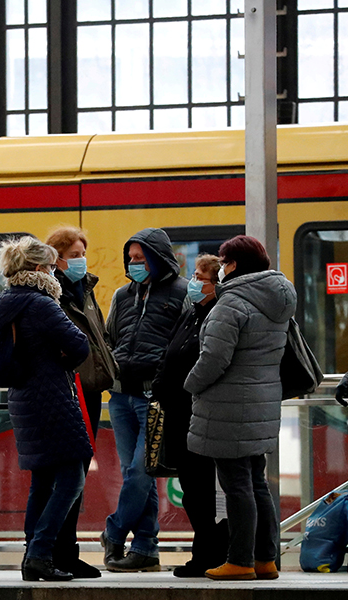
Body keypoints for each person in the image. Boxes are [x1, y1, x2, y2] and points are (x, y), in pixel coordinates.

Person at [184, 235, 296, 581]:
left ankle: (240, 560)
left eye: (223, 260)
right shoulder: (276, 299)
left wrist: (190, 384)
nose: (218, 267)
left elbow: (214, 358)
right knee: (256, 482)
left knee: (237, 485)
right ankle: (266, 558)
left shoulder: (231, 303)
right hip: (261, 404)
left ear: (233, 265)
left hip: (229, 406)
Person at [0, 236, 92, 581]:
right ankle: (40, 552)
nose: (55, 272)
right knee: (71, 479)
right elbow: (79, 344)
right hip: (51, 399)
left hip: (23, 399)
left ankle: (32, 556)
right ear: (37, 269)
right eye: (51, 266)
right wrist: (61, 357)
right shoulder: (42, 303)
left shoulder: (5, 302)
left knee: (43, 482)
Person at [102, 227, 187, 572]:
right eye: (131, 258)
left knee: (141, 471)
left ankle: (114, 529)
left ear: (157, 257)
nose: (134, 264)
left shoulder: (182, 294)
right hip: (121, 396)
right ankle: (146, 548)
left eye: (140, 258)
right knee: (136, 473)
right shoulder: (123, 295)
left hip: (156, 397)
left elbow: (185, 342)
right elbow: (110, 336)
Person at [45, 226, 116, 579]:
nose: (81, 260)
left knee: (76, 475)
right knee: (65, 476)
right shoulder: (53, 293)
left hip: (88, 389)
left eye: (82, 253)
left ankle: (64, 550)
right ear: (56, 257)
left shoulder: (83, 290)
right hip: (66, 389)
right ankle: (53, 551)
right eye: (74, 255)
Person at [152, 253, 229, 577]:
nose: (194, 283)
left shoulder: (217, 317)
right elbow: (171, 353)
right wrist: (159, 383)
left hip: (199, 414)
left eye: (201, 278)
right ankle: (204, 552)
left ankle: (210, 554)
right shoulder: (192, 314)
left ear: (216, 285)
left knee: (202, 490)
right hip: (178, 416)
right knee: (191, 489)